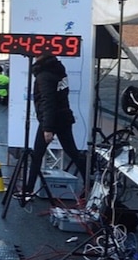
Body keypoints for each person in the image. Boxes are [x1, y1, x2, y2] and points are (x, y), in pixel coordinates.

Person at [19, 53, 87, 204]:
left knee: (37, 155)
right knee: (72, 152)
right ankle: (90, 182)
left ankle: (28, 190)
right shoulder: (59, 71)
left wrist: (47, 128)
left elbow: (48, 102)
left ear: (39, 57)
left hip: (51, 120)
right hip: (64, 117)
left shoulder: (44, 76)